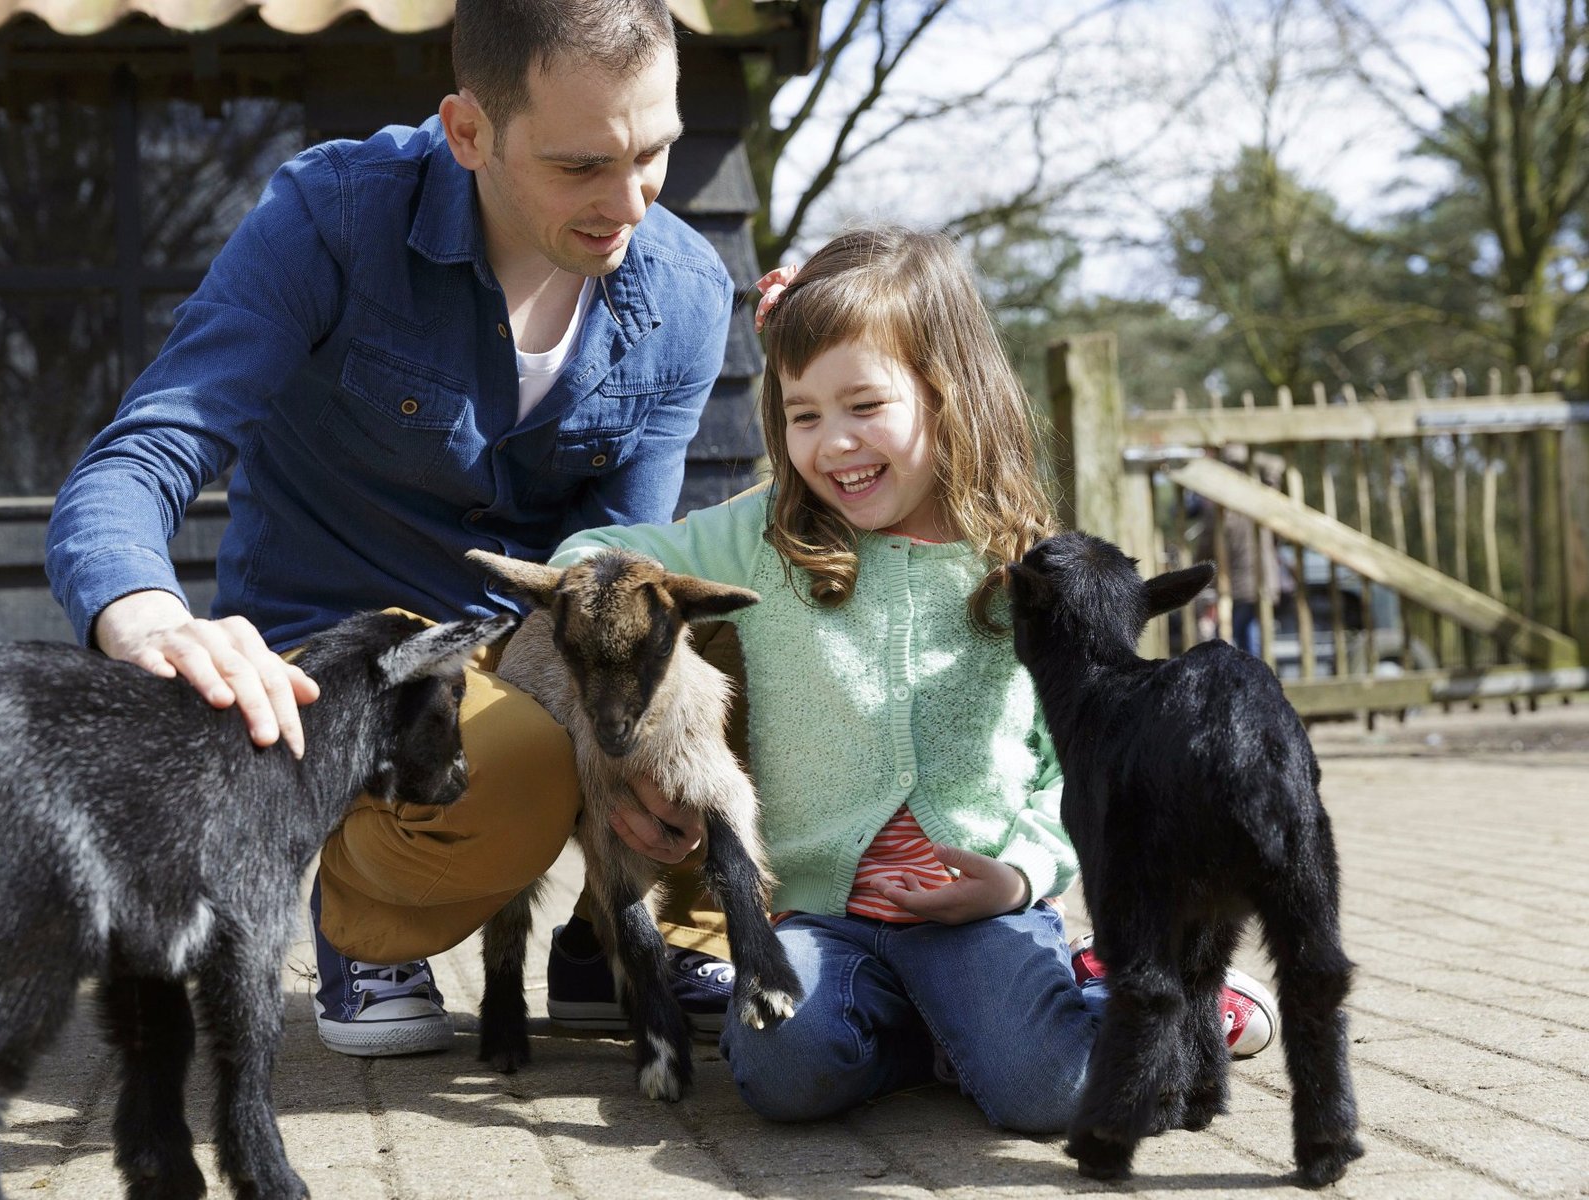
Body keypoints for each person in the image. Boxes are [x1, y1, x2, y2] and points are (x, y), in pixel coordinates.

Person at [45, 0, 741, 1059]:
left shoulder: (685, 290)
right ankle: (367, 925)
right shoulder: (332, 218)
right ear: (469, 133)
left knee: (726, 646)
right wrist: (143, 617)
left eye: (654, 153)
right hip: (351, 662)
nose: (630, 202)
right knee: (513, 770)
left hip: (528, 642)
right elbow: (149, 446)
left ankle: (616, 932)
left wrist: (635, 731)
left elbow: (615, 546)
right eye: (580, 166)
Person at [548, 226, 1279, 1129]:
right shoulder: (759, 537)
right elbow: (592, 554)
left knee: (1049, 1094)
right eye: (803, 414)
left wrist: (1018, 876)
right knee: (782, 1070)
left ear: (947, 394)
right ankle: (936, 1039)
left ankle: (1138, 992)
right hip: (822, 917)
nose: (833, 443)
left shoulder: (1029, 568)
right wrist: (596, 607)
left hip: (982, 916)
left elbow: (1079, 766)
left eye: (865, 404)